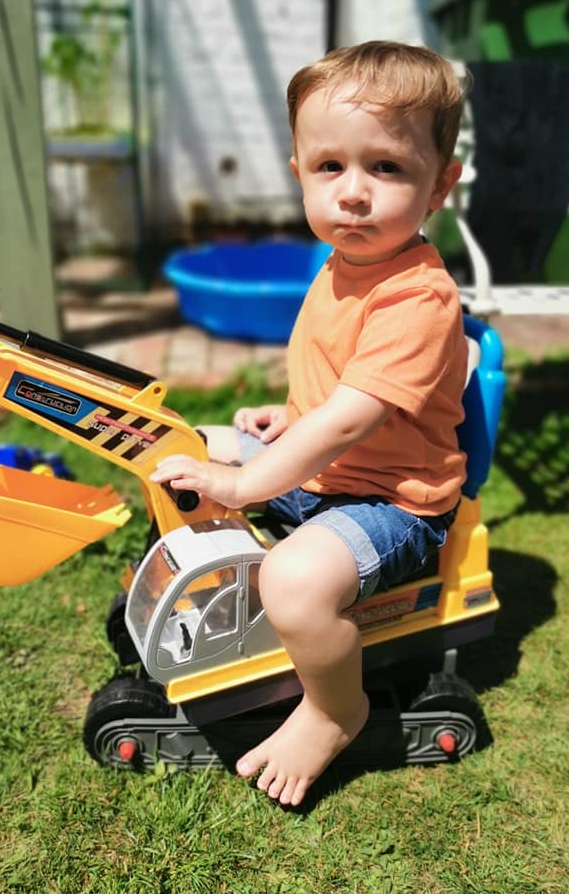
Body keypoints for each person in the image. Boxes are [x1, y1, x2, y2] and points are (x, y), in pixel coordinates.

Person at [150, 40, 468, 806]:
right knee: (179, 444)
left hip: (390, 500)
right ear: (299, 172)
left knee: (291, 583)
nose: (351, 193)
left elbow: (349, 422)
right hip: (320, 467)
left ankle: (333, 709)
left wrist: (245, 480)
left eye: (384, 167)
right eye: (329, 166)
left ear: (438, 185)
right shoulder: (341, 261)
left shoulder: (417, 297)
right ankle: (205, 586)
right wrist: (288, 416)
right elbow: (331, 392)